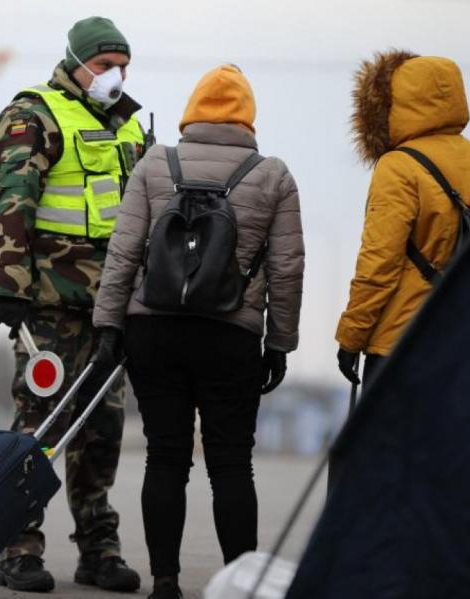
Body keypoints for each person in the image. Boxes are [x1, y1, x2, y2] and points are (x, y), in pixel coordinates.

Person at [91, 64, 305, 599]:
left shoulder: (154, 165)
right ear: (247, 117)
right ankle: (242, 582)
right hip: (229, 335)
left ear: (192, 112)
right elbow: (286, 267)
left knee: (165, 454)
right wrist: (279, 341)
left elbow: (123, 253)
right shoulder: (272, 174)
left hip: (153, 331)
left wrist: (108, 324)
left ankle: (165, 580)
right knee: (231, 461)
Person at [0, 16, 145, 594]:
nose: (115, 76)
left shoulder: (130, 129)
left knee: (102, 431)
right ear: (76, 62)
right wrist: (8, 285)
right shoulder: (34, 116)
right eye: (105, 66)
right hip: (49, 304)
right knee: (38, 425)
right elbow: (8, 200)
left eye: (122, 66)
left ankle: (98, 550)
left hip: (112, 307)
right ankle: (18, 548)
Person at [335, 50, 470, 387]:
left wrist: (351, 336)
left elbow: (379, 264)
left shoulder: (398, 167)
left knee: (389, 440)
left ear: (394, 103)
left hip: (403, 341)